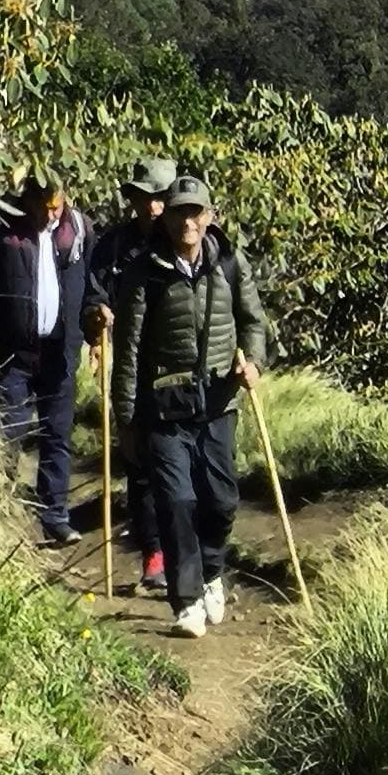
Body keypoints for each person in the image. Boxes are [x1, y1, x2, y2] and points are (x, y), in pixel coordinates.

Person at [103, 172, 270, 635]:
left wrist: (253, 362)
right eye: (179, 212)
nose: (187, 222)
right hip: (163, 409)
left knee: (220, 502)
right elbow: (129, 351)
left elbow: (253, 322)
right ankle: (187, 599)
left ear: (209, 217)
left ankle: (212, 571)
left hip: (218, 403)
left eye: (195, 213)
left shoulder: (230, 263)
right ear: (167, 217)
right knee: (176, 502)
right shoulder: (143, 272)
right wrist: (127, 419)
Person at [0, 171, 90, 546]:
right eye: (44, 207)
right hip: (11, 351)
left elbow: (91, 283)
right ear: (28, 199)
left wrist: (95, 316)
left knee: (57, 434)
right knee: (7, 432)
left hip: (59, 350)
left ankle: (55, 516)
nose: (51, 215)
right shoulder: (0, 229)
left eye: (57, 206)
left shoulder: (77, 231)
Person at [85, 156, 178, 593]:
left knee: (181, 463)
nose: (153, 207)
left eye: (160, 198)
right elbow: (94, 290)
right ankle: (153, 557)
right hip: (131, 363)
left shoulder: (186, 241)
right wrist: (96, 313)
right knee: (140, 462)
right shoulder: (113, 246)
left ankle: (189, 554)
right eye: (146, 198)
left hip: (179, 365)